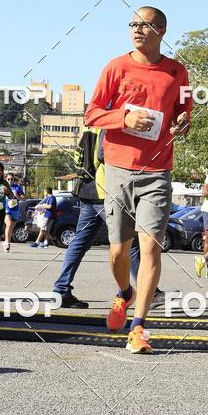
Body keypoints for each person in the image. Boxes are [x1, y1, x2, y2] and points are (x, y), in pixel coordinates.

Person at [84, 6, 191, 354]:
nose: (137, 29)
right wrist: (124, 118)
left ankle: (139, 326)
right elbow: (92, 114)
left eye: (145, 25)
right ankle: (124, 293)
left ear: (161, 31)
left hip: (157, 172)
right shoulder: (116, 66)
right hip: (118, 169)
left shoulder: (178, 72)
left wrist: (182, 124)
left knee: (150, 248)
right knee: (118, 250)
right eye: (133, 24)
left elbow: (184, 113)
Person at [52, 126, 155, 309]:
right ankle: (150, 293)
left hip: (86, 190)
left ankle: (61, 290)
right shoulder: (108, 125)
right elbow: (104, 155)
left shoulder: (90, 126)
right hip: (105, 192)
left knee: (79, 244)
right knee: (128, 243)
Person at [4, 173, 25, 252]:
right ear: (6, 179)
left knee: (11, 228)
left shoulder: (17, 187)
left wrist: (17, 196)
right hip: (6, 208)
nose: (10, 181)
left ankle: (6, 242)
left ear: (13, 180)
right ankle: (7, 243)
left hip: (15, 209)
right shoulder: (3, 186)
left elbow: (23, 198)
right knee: (9, 224)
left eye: (11, 179)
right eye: (8, 179)